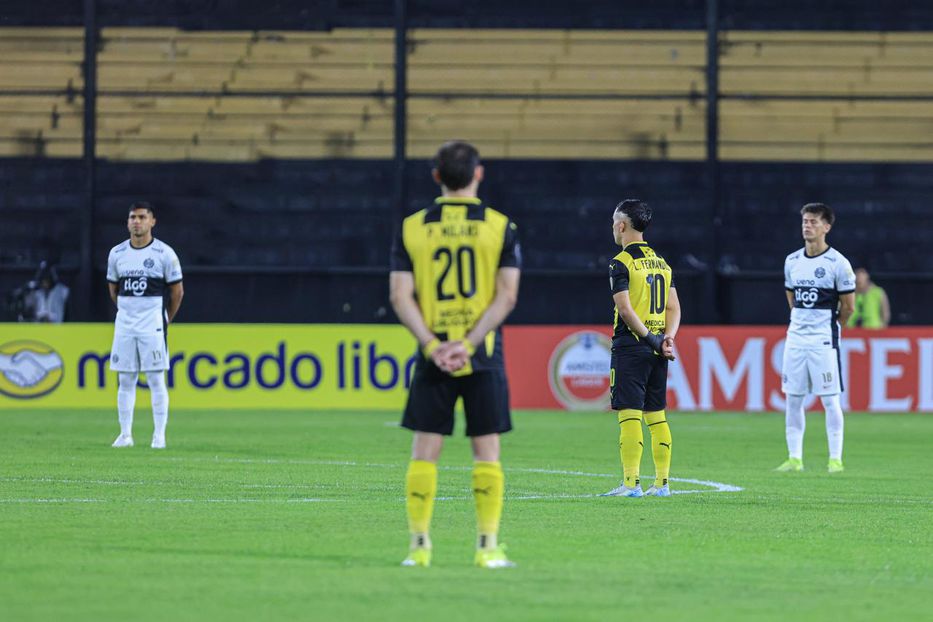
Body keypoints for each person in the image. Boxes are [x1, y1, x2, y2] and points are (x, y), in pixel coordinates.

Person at [389, 141, 521, 568]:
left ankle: (419, 547)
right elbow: (506, 296)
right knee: (487, 451)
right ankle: (487, 547)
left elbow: (399, 296)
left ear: (436, 177)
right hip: (479, 352)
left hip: (434, 354)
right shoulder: (500, 226)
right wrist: (467, 344)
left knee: (424, 450)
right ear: (478, 174)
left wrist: (433, 345)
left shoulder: (411, 227)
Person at [600, 200, 680, 498]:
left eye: (613, 222)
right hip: (658, 348)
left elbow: (624, 307)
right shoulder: (662, 262)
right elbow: (674, 307)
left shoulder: (620, 261)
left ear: (621, 225)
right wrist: (667, 338)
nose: (612, 228)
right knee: (657, 415)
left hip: (632, 346)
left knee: (629, 414)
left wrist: (650, 338)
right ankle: (662, 484)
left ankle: (631, 483)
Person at [778, 203, 855, 474]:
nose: (807, 226)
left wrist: (834, 328)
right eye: (804, 221)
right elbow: (792, 298)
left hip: (823, 340)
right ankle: (794, 458)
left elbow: (848, 307)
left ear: (826, 227)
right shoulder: (792, 261)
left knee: (830, 399)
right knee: (793, 399)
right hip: (796, 339)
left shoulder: (839, 264)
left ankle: (835, 459)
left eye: (812, 221)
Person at [106, 202, 184, 449]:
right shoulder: (117, 254)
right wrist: (127, 311)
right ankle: (125, 434)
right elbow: (113, 289)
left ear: (152, 221)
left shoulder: (164, 254)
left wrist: (164, 318)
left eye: (142, 217)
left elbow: (177, 292)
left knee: (155, 378)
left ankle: (159, 435)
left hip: (152, 325)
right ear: (127, 222)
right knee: (125, 379)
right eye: (132, 217)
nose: (136, 221)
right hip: (125, 325)